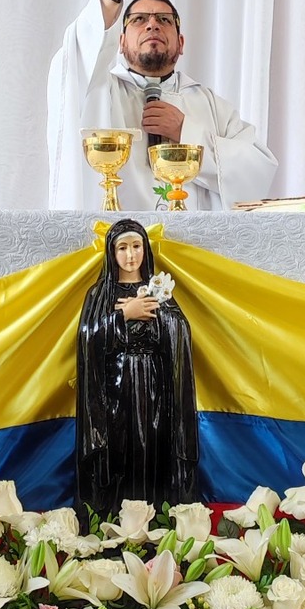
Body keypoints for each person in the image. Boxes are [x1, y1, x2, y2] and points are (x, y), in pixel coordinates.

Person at [47, 0, 278, 210]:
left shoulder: (209, 105)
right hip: (120, 246)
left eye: (164, 20)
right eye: (139, 19)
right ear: (120, 42)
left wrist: (186, 131)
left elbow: (258, 172)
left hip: (191, 246)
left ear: (181, 43)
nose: (152, 25)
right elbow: (73, 61)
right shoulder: (98, 91)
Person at [75, 218, 199, 520]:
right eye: (122, 248)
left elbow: (180, 330)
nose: (130, 255)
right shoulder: (100, 294)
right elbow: (88, 339)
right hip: (115, 391)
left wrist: (160, 316)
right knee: (119, 450)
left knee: (152, 447)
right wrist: (124, 317)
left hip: (154, 387)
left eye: (136, 246)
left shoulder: (157, 291)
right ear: (111, 252)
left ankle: (154, 516)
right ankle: (113, 519)